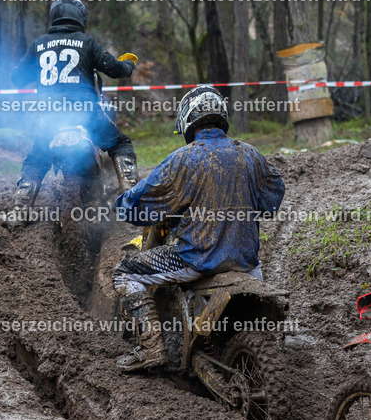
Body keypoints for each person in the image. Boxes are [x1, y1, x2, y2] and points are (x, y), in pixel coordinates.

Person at [111, 86, 286, 372]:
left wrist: (122, 201)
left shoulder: (183, 159)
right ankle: (262, 345)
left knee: (124, 272)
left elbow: (136, 207)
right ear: (221, 117)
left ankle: (151, 348)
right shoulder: (251, 155)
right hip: (246, 263)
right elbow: (273, 198)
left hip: (195, 259)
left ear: (187, 121)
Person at [11, 0, 139, 204]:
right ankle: (130, 188)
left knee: (36, 160)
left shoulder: (39, 44)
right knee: (120, 143)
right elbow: (115, 69)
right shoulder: (87, 42)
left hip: (50, 118)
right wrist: (128, 65)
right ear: (80, 17)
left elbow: (17, 78)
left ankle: (21, 206)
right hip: (86, 112)